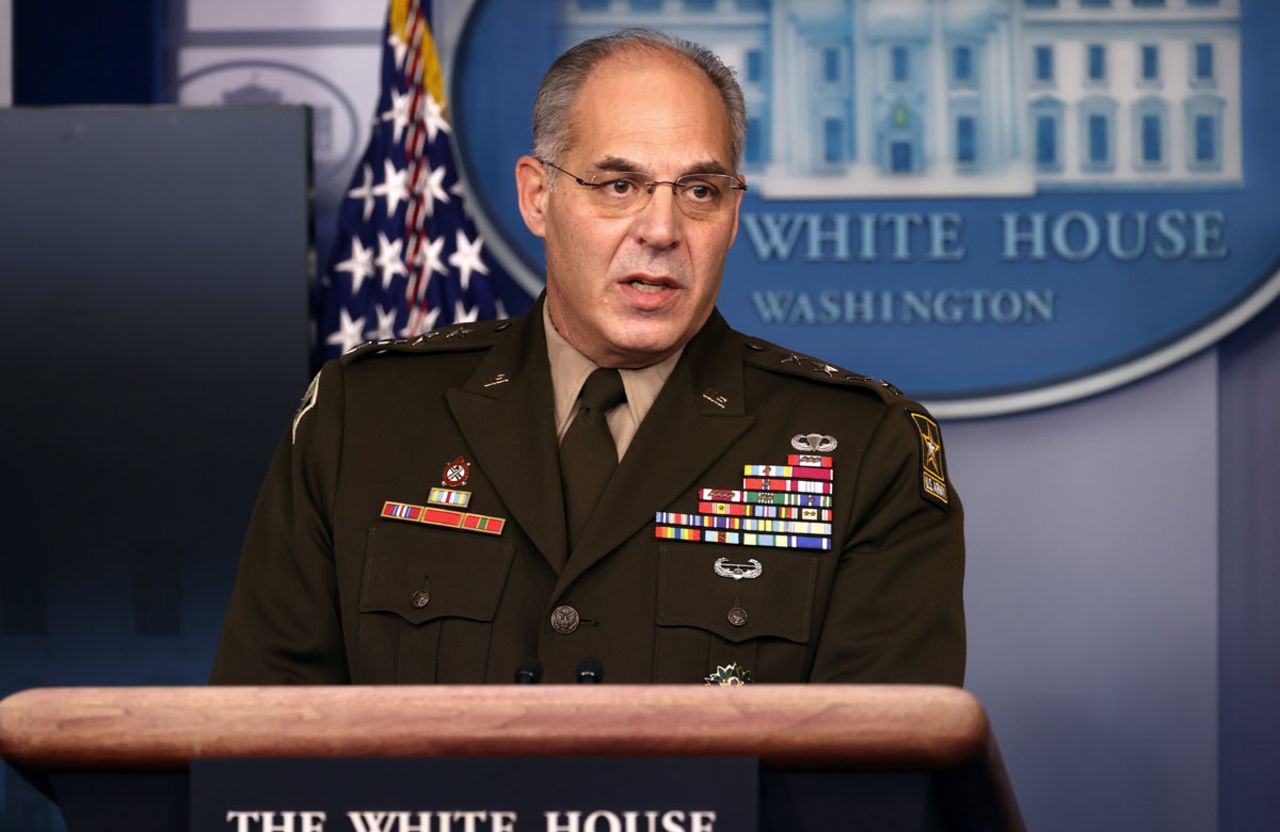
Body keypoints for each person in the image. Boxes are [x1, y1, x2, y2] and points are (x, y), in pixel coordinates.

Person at [211, 29, 964, 687]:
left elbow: (873, 784)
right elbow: (262, 736)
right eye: (618, 185)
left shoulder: (867, 450)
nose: (662, 229)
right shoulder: (364, 418)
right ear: (537, 197)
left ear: (733, 214)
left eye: (699, 190)